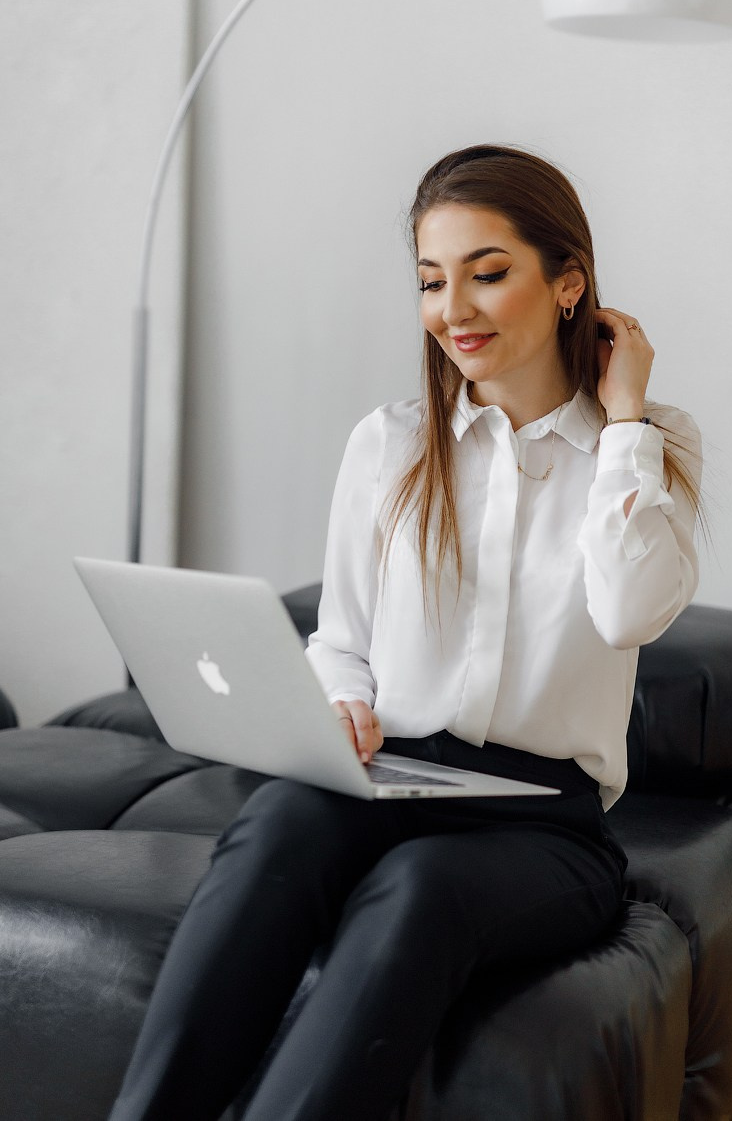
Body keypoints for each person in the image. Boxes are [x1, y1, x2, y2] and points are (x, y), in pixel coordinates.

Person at [109, 144, 701, 1121]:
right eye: (431, 281)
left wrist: (626, 417)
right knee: (280, 824)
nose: (452, 309)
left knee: (425, 886)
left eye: (487, 273)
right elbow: (339, 637)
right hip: (394, 778)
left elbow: (631, 611)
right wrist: (342, 700)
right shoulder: (389, 442)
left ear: (569, 283)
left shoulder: (640, 449)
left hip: (546, 824)